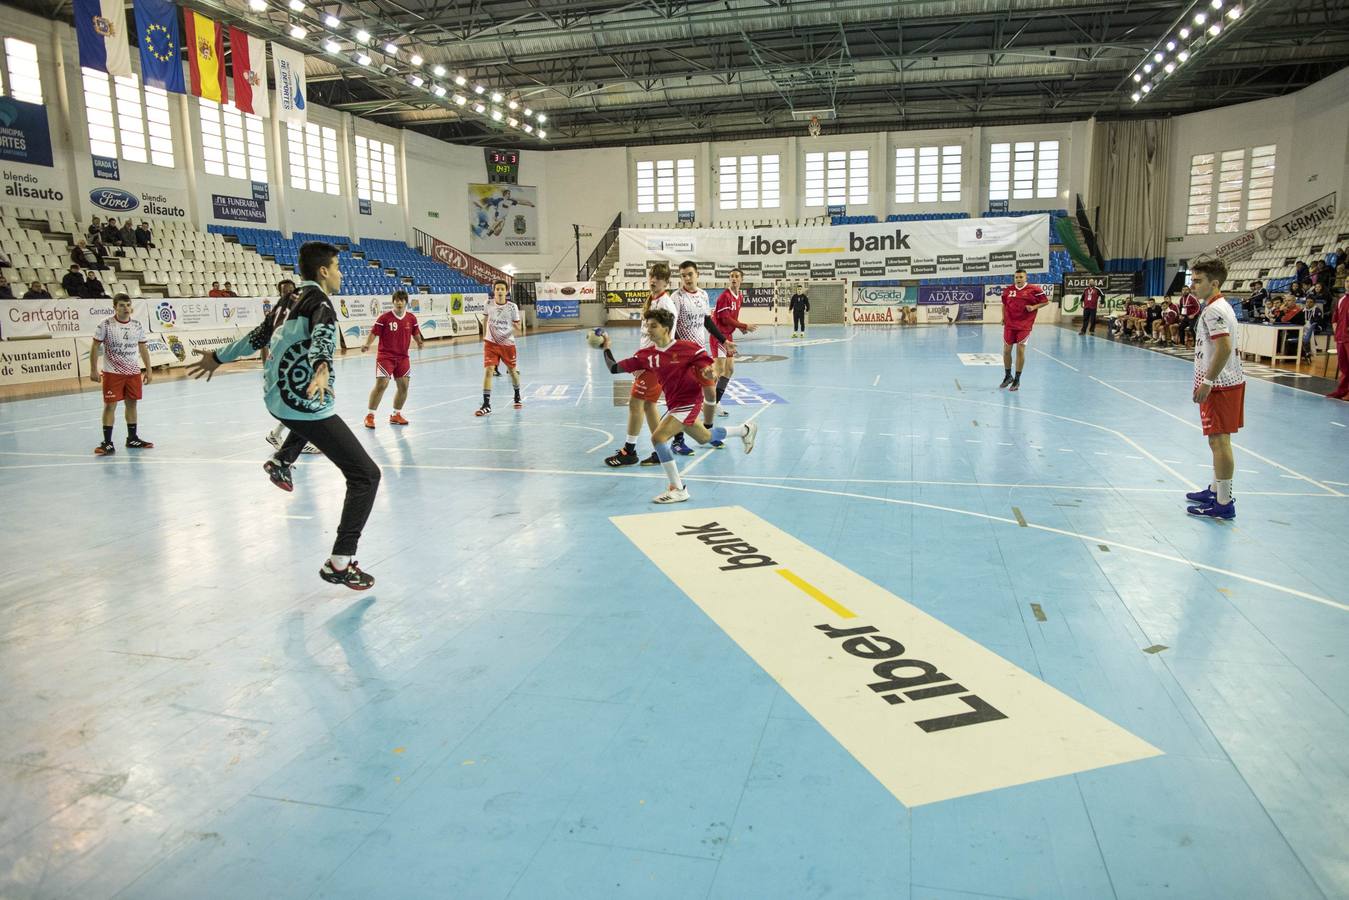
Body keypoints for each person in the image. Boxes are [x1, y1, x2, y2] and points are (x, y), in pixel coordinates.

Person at [186, 241, 381, 590]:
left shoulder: (288, 298)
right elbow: (322, 336)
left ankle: (282, 460)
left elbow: (257, 336)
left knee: (314, 420)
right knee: (365, 475)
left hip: (275, 398)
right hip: (300, 400)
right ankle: (340, 562)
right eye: (337, 267)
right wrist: (321, 368)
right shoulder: (320, 302)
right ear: (323, 272)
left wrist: (218, 357)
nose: (341, 273)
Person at [599, 307, 759, 504]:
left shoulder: (688, 348)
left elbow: (709, 370)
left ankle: (678, 488)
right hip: (675, 404)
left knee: (658, 438)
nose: (649, 330)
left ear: (666, 328)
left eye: (654, 326)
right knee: (705, 437)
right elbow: (614, 368)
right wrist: (606, 347)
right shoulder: (646, 355)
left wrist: (710, 374)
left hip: (690, 401)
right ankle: (745, 430)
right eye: (647, 326)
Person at [1183, 258, 1245, 520]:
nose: (1193, 286)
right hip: (1225, 381)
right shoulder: (1218, 306)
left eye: (1198, 281)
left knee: (1219, 441)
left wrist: (1207, 382)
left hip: (1220, 385)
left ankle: (1223, 502)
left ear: (1214, 283)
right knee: (1217, 440)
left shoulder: (1214, 311)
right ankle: (1214, 490)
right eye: (1192, 280)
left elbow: (1224, 348)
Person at [604, 262, 680, 468]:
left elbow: (667, 339)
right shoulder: (652, 300)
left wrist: (646, 362)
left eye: (659, 277)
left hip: (653, 363)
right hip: (648, 360)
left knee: (635, 404)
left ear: (666, 281)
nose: (653, 280)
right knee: (648, 405)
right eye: (652, 276)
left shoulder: (666, 305)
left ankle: (629, 451)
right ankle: (660, 449)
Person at [669, 260, 734, 455]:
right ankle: (677, 440)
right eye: (683, 275)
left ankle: (707, 433)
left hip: (700, 354)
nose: (686, 278)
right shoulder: (676, 298)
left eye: (690, 274)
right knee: (684, 399)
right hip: (682, 355)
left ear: (697, 274)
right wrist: (681, 351)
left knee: (711, 393)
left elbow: (707, 322)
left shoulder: (704, 295)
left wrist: (724, 341)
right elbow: (672, 329)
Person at [89, 293, 154, 455]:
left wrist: (149, 370)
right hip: (112, 373)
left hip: (133, 373)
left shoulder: (137, 325)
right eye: (121, 305)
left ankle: (132, 439)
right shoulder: (106, 325)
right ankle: (107, 443)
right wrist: (93, 369)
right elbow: (95, 347)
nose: (126, 308)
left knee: (132, 404)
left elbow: (143, 348)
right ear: (115, 307)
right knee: (110, 406)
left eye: (128, 305)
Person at [261, 279, 320, 457]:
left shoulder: (301, 313)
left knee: (298, 403)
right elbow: (264, 342)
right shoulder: (276, 316)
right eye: (285, 291)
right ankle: (298, 440)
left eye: (291, 290)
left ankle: (277, 434)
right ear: (280, 294)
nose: (289, 293)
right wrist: (266, 367)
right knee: (300, 402)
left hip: (297, 364)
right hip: (282, 366)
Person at [362, 289, 424, 428]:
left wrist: (419, 341)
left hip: (403, 357)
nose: (399, 303)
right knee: (382, 384)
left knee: (404, 386)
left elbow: (415, 332)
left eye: (401, 300)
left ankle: (396, 414)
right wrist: (367, 344)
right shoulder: (384, 318)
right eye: (396, 300)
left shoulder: (411, 318)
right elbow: (374, 333)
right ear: (393, 302)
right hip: (386, 356)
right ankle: (370, 415)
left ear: (405, 302)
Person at [709, 268, 757, 427]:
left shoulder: (739, 296)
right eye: (731, 276)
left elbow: (733, 318)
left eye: (737, 276)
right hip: (719, 336)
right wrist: (744, 325)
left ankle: (714, 402)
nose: (734, 279)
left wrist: (741, 328)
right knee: (719, 370)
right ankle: (705, 400)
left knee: (729, 370)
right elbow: (724, 318)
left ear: (742, 279)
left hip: (728, 336)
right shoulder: (725, 296)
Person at [475, 279, 522, 416]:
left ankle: (517, 394)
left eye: (502, 289)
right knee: (489, 371)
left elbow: (518, 328)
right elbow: (485, 320)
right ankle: (486, 404)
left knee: (512, 372)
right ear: (493, 290)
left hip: (507, 344)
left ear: (506, 291)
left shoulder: (512, 307)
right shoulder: (488, 304)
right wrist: (484, 336)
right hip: (491, 343)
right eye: (497, 289)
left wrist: (515, 328)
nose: (500, 291)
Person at [998, 269, 1049, 391]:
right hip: (1010, 324)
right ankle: (1008, 376)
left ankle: (1017, 379)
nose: (1018, 279)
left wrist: (1034, 307)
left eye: (1021, 277)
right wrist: (1003, 317)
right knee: (1006, 351)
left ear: (1026, 278)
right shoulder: (1008, 290)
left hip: (1024, 325)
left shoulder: (1034, 290)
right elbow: (1004, 304)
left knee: (1020, 350)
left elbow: (1045, 302)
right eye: (1016, 277)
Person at [1328, 287, 1349, 401]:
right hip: (1341, 337)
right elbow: (1335, 318)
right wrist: (1337, 332)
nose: (1348, 284)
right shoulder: (1341, 300)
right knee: (1344, 366)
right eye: (1347, 281)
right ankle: (1342, 390)